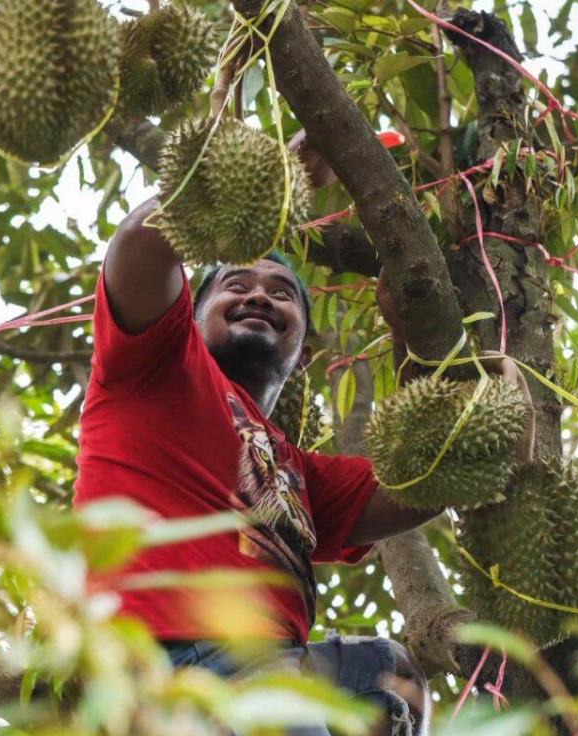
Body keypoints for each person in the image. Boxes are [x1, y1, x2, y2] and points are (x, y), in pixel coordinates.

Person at [73, 135, 444, 736]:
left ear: (301, 351)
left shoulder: (295, 471)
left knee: (390, 673)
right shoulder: (156, 364)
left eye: (281, 293)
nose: (258, 296)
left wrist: (416, 342)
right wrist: (274, 172)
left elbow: (430, 477)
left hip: (270, 667)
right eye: (236, 285)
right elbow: (142, 243)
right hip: (156, 654)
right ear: (189, 317)